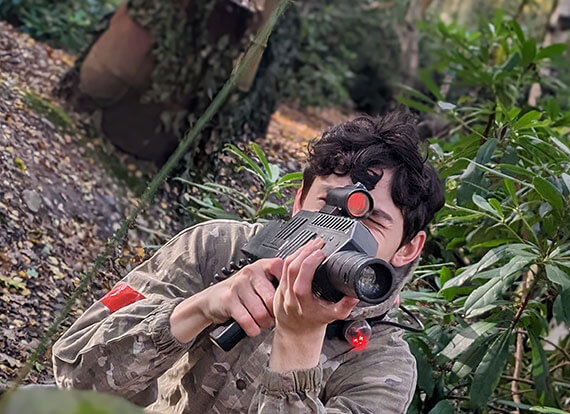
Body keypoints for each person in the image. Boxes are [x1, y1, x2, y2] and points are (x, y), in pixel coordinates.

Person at [52, 112, 445, 413]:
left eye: (372, 221)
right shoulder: (217, 247)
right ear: (299, 201)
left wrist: (300, 341)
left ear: (408, 248)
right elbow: (73, 377)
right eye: (329, 206)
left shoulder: (382, 363)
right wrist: (198, 308)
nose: (341, 231)